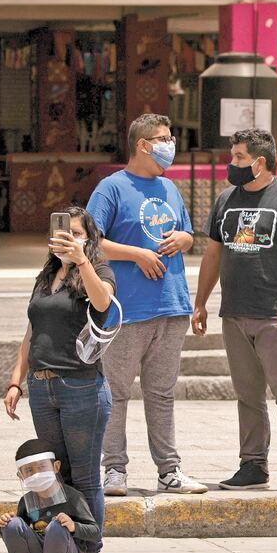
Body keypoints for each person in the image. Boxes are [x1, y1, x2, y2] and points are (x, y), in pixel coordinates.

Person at [86, 113, 206, 496]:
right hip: (126, 309)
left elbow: (186, 232)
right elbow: (89, 242)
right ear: (143, 144)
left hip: (171, 306)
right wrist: (137, 254)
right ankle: (114, 470)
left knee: (162, 393)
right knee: (115, 393)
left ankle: (169, 471)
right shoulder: (111, 188)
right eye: (164, 138)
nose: (170, 145)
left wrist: (185, 240)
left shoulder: (169, 188)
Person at [193, 128, 277, 491]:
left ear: (259, 162)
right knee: (247, 396)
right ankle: (252, 465)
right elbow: (212, 255)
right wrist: (200, 302)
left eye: (238, 157)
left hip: (276, 314)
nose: (231, 163)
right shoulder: (225, 200)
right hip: (235, 313)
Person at [3, 206, 113, 553]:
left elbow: (103, 303)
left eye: (77, 233)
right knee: (56, 476)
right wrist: (16, 381)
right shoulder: (46, 275)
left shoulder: (97, 270)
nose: (67, 239)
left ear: (89, 238)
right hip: (42, 386)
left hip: (81, 386)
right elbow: (32, 331)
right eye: (63, 233)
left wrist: (81, 259)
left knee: (85, 477)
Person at [0, 439, 101, 553]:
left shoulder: (73, 497)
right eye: (29, 470)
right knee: (12, 522)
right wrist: (4, 525)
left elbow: (94, 532)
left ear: (56, 467)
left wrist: (73, 526)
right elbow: (20, 534)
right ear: (21, 475)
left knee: (56, 526)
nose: (36, 474)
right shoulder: (26, 501)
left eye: (42, 467)